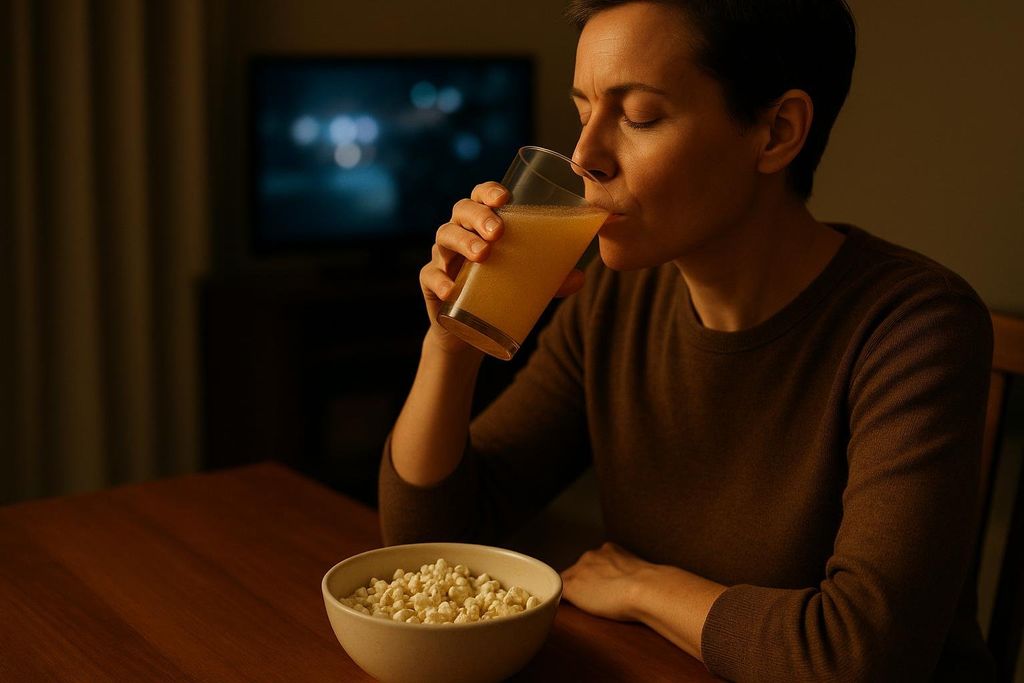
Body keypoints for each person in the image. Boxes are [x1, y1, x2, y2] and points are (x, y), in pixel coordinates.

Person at [378, 0, 995, 679]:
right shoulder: (619, 298)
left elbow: (858, 654)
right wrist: (451, 344)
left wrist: (645, 586)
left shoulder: (911, 326)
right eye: (584, 110)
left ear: (777, 132)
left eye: (639, 116)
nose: (585, 156)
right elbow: (431, 540)